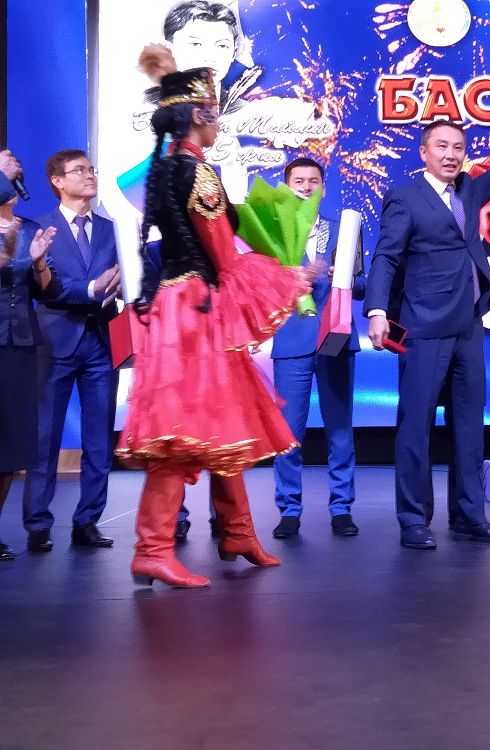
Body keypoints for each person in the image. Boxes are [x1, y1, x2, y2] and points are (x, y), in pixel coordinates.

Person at [116, 49, 310, 587]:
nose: (221, 123)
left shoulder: (166, 169)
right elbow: (225, 257)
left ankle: (238, 531)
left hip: (177, 304)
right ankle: (153, 547)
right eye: (217, 114)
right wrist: (288, 277)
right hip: (196, 310)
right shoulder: (198, 173)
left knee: (222, 423)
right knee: (184, 431)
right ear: (199, 116)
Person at [364, 76, 490, 550]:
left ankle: (469, 515)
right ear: (424, 152)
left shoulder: (469, 189)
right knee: (416, 425)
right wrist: (377, 310)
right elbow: (385, 257)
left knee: (470, 427)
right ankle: (413, 519)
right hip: (423, 325)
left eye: (458, 148)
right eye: (442, 146)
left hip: (468, 324)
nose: (450, 155)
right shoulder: (405, 197)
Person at [22, 150, 121, 553]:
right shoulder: (37, 228)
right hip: (55, 341)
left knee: (99, 438)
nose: (89, 175)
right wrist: (93, 289)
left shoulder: (112, 229)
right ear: (57, 181)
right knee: (45, 437)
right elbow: (46, 286)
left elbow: (130, 277)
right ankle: (38, 524)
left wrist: (127, 280)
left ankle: (88, 521)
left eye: (92, 169)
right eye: (79, 170)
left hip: (103, 341)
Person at [271, 157, 366, 539]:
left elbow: (362, 286)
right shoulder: (273, 233)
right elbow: (260, 291)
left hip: (336, 339)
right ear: (286, 187)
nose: (306, 187)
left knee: (339, 430)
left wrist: (342, 276)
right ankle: (289, 510)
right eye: (299, 181)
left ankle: (341, 508)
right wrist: (290, 279)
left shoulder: (345, 229)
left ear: (323, 189)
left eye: (314, 181)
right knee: (288, 434)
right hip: (292, 343)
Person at [0, 155, 59, 561]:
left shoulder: (28, 228)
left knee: (12, 445)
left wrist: (38, 263)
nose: (15, 169)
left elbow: (47, 290)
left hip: (19, 343)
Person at [163, 0, 260, 115]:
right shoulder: (147, 108)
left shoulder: (247, 114)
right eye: (195, 44)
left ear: (234, 52)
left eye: (222, 46)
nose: (209, 57)